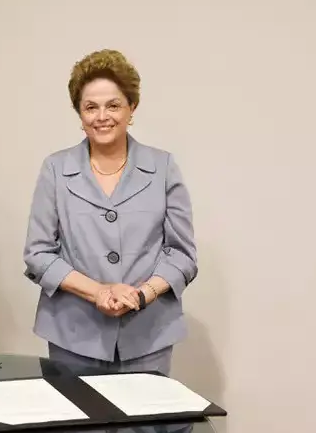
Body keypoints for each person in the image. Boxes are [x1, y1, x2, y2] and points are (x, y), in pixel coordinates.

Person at [23, 49, 197, 376]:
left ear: (132, 108)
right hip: (72, 337)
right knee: (75, 411)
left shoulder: (163, 167)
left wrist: (142, 295)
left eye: (113, 105)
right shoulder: (55, 169)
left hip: (149, 336)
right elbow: (38, 254)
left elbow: (182, 255)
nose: (102, 116)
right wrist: (98, 292)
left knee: (145, 412)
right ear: (79, 114)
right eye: (91, 107)